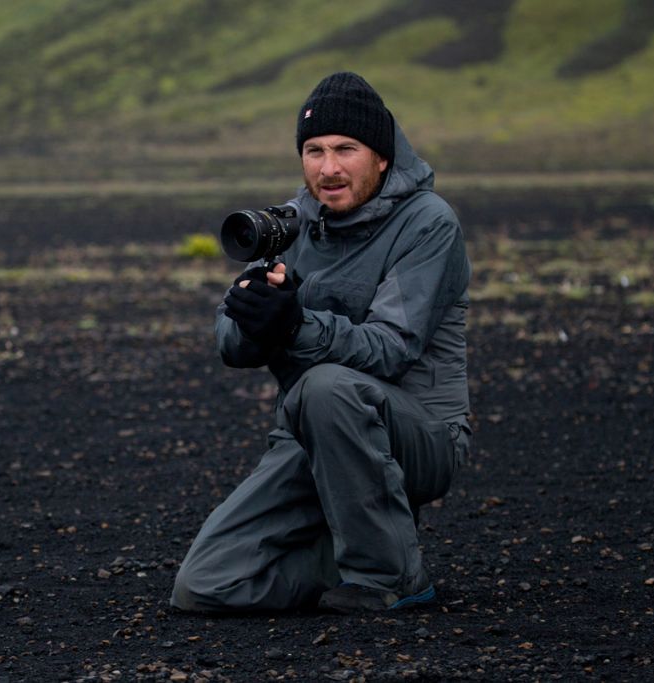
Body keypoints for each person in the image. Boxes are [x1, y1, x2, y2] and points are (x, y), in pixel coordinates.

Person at [171, 72, 472, 613]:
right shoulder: (291, 224)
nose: (327, 168)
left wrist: (293, 327)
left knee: (327, 386)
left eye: (345, 149)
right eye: (314, 151)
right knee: (205, 587)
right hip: (312, 435)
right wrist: (254, 319)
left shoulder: (429, 223)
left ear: (382, 156)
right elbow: (229, 345)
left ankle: (392, 577)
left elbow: (391, 349)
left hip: (420, 434)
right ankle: (353, 544)